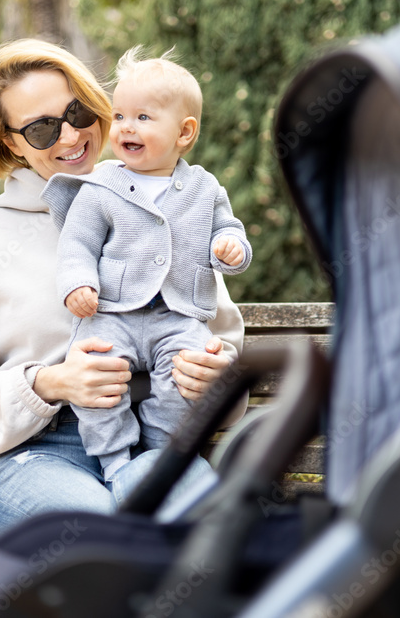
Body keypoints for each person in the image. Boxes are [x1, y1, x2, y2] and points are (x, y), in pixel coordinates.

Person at [0, 38, 247, 539]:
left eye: (78, 111)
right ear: (11, 144)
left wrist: (215, 375)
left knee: (213, 538)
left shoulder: (169, 209)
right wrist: (49, 383)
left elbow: (219, 338)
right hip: (38, 455)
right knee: (108, 541)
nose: (71, 135)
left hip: (156, 446)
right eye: (43, 128)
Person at [40, 47, 252, 482]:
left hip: (178, 313)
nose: (125, 128)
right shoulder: (100, 186)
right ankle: (115, 458)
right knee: (97, 378)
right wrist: (78, 283)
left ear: (185, 132)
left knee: (185, 377)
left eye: (143, 118)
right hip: (112, 311)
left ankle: (160, 452)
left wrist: (230, 246)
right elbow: (77, 243)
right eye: (119, 117)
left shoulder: (204, 188)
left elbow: (229, 230)